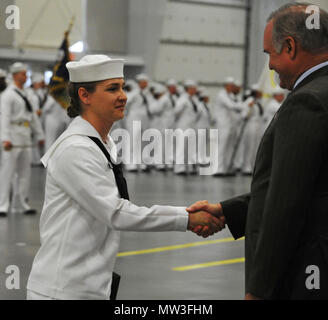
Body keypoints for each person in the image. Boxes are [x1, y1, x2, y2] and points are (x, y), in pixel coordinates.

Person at [26, 55, 222, 300]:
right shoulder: (75, 149)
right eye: (112, 89)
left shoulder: (103, 144)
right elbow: (116, 212)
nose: (123, 95)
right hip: (62, 289)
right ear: (85, 96)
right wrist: (186, 218)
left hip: (90, 284)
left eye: (122, 87)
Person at [188, 3, 328, 300]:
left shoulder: (308, 102)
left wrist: (259, 289)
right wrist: (230, 210)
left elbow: (287, 203)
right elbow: (311, 185)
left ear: (290, 46)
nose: (270, 66)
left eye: (270, 54)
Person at [0, 62, 44, 217]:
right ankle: (3, 205)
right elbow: (4, 117)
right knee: (7, 172)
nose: (26, 77)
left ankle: (23, 203)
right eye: (23, 74)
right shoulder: (8, 95)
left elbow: (32, 117)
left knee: (25, 173)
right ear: (15, 75)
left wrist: (39, 135)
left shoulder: (27, 94)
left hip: (25, 137)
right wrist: (5, 138)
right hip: (12, 137)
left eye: (26, 74)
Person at [173, 79, 199, 175]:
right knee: (181, 147)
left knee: (191, 148)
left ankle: (191, 167)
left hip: (192, 127)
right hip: (183, 127)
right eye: (193, 88)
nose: (195, 90)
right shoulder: (183, 99)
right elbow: (176, 112)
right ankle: (179, 168)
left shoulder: (193, 99)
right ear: (189, 89)